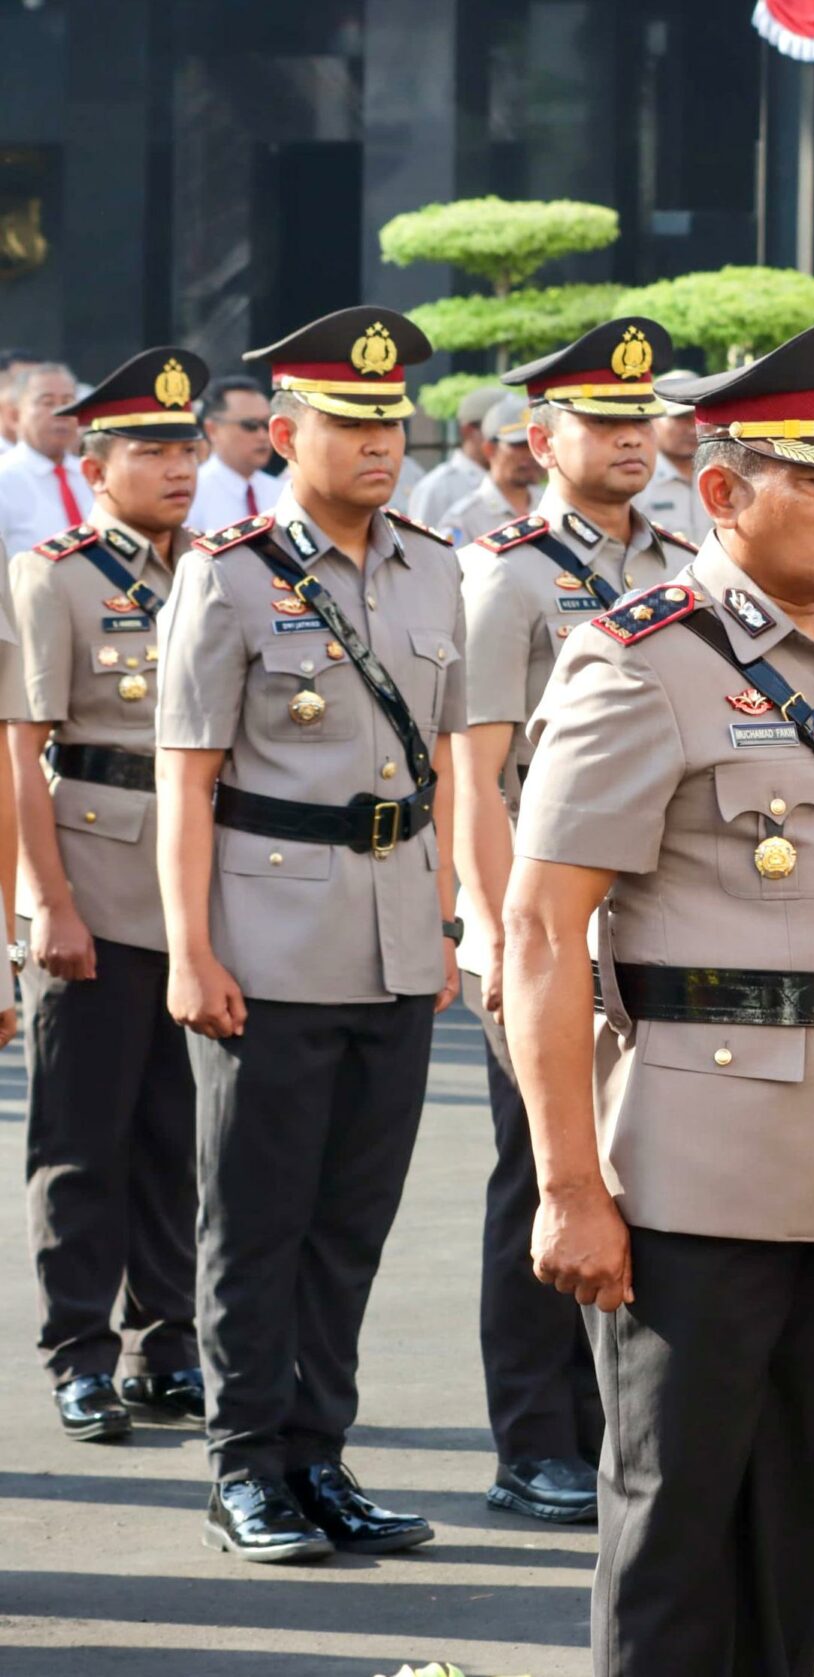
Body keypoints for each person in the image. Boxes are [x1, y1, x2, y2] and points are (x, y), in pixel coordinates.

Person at [504, 317, 814, 1677]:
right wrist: (569, 1186)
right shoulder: (640, 659)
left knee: (803, 1536)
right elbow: (541, 928)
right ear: (722, 492)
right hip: (696, 1174)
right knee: (676, 1538)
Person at [157, 306, 463, 1564]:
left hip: (394, 939)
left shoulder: (436, 566)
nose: (382, 442)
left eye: (393, 423)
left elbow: (442, 764)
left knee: (350, 1224)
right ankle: (244, 1467)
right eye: (352, 424)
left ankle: (319, 1457)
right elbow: (187, 777)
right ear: (285, 435)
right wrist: (189, 949)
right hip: (268, 940)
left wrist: (445, 917)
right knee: (256, 1218)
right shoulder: (227, 572)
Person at [453, 316, 695, 1527]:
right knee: (541, 1178)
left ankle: (608, 1431)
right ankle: (532, 1440)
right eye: (602, 422)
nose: (630, 439)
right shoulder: (505, 573)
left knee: (638, 1176)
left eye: (639, 418)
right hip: (545, 920)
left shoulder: (682, 556)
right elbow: (476, 773)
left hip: (651, 921)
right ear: (542, 439)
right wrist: (497, 934)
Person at [10, 350, 209, 1445]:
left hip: (201, 893)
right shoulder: (57, 575)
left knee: (180, 1133)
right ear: (96, 467)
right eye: (152, 450)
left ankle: (167, 1343)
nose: (178, 467)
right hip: (96, 874)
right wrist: (47, 904)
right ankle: (80, 1352)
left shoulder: (221, 569)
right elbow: (20, 752)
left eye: (187, 448)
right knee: (83, 1138)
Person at [0, 363, 92, 560]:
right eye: (47, 402)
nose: (61, 412)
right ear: (15, 415)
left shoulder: (92, 474)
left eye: (68, 401)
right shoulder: (4, 478)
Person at [188, 375, 285, 531]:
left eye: (267, 425)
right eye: (250, 425)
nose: (263, 435)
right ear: (212, 430)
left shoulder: (282, 493)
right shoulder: (192, 494)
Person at [440, 393, 542, 543]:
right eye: (519, 445)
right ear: (489, 449)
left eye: (536, 443)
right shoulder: (464, 519)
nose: (531, 454)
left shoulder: (547, 504)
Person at [407, 384, 505, 534]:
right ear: (468, 431)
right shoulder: (437, 488)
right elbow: (419, 544)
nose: (506, 443)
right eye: (497, 433)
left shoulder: (523, 484)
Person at [633, 373, 709, 544]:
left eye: (698, 418)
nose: (693, 428)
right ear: (652, 420)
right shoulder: (637, 479)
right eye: (681, 418)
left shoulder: (721, 473)